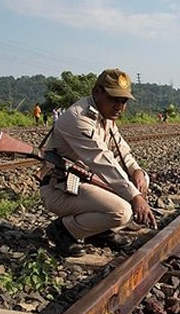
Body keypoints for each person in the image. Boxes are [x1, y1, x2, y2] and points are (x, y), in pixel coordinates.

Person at [38, 68, 157, 257]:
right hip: (60, 189)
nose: (119, 106)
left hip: (87, 183)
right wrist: (135, 198)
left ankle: (97, 232)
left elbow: (121, 152)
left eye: (123, 101)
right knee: (122, 211)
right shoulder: (79, 118)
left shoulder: (105, 116)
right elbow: (103, 161)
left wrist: (136, 171)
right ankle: (63, 230)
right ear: (97, 92)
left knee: (140, 181)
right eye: (114, 99)